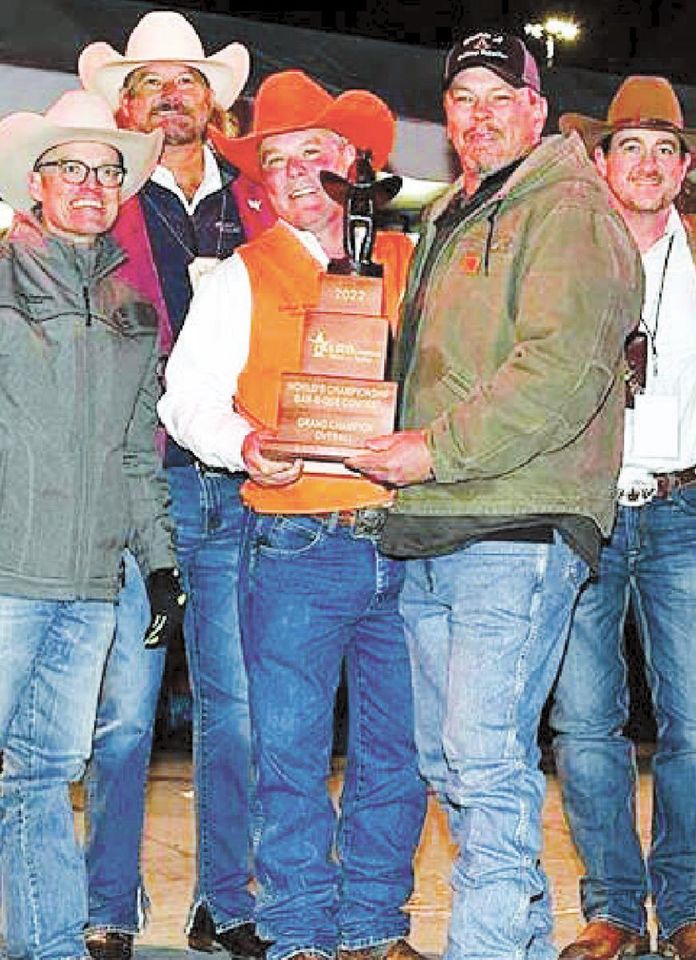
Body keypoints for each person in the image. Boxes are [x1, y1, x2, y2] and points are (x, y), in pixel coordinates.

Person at [346, 30, 642, 960]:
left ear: (536, 110)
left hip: (514, 522)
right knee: (456, 761)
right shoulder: (456, 215)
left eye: (497, 97)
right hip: (436, 521)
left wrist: (430, 451)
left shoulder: (568, 212)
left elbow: (557, 372)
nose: (477, 116)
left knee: (481, 757)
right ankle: (514, 935)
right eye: (462, 99)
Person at [159, 69, 426, 960]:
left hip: (406, 538)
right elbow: (185, 398)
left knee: (400, 753)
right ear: (260, 182)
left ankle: (375, 926)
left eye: (316, 151)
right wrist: (245, 444)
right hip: (296, 537)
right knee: (290, 756)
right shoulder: (240, 274)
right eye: (277, 159)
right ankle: (300, 931)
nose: (299, 171)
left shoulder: (411, 265)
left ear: (355, 161)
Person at [77, 12, 276, 958]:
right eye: (150, 81)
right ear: (126, 103)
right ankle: (109, 903)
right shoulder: (98, 203)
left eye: (186, 80)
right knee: (123, 713)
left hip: (243, 487)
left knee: (237, 710)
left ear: (213, 101)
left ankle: (224, 901)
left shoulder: (264, 204)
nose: (169, 95)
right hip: (138, 486)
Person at [550, 76, 696, 960]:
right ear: (600, 162)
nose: (647, 163)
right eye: (629, 146)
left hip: (683, 511)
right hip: (587, 511)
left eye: (665, 149)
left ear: (687, 168)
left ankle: (687, 911)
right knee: (584, 722)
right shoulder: (562, 247)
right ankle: (612, 911)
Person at [0, 89, 172, 960]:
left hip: (90, 588)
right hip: (5, 576)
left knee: (43, 775)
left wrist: (164, 565)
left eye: (108, 171)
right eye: (72, 167)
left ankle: (50, 947)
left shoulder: (132, 309)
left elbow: (136, 455)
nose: (93, 183)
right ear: (36, 183)